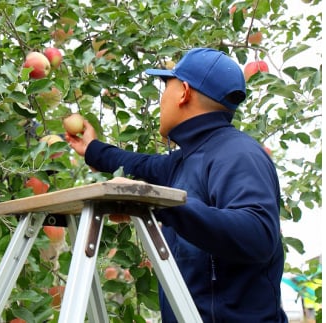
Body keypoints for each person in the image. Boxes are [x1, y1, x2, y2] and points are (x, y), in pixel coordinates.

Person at [65, 48, 288, 322]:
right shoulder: (187, 159)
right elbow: (137, 164)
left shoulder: (239, 154)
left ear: (183, 92)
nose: (162, 100)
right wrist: (92, 149)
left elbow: (258, 234)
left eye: (166, 87)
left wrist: (157, 203)